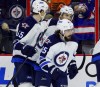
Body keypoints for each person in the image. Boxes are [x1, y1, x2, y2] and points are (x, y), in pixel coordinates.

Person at [11, 0, 49, 87]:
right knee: (26, 85)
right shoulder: (27, 22)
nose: (45, 13)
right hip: (22, 58)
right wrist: (24, 48)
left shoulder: (42, 24)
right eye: (45, 11)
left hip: (34, 60)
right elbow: (16, 43)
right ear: (41, 11)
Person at [35, 19, 79, 87]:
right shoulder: (51, 40)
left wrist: (72, 64)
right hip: (44, 70)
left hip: (61, 71)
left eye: (71, 30)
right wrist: (52, 69)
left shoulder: (75, 41)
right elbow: (42, 58)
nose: (71, 33)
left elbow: (72, 55)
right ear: (61, 31)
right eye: (68, 30)